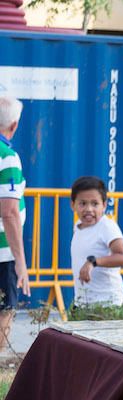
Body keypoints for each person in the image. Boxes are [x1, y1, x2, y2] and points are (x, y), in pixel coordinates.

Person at [70, 176, 123, 309]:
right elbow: (121, 255)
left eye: (95, 203)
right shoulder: (78, 226)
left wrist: (93, 262)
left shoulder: (106, 227)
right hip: (83, 304)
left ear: (104, 205)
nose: (89, 209)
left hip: (108, 306)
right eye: (82, 203)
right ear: (73, 205)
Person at [0, 96, 30, 345]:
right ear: (15, 125)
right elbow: (9, 212)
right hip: (3, 254)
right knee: (4, 311)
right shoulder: (7, 156)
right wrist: (21, 261)